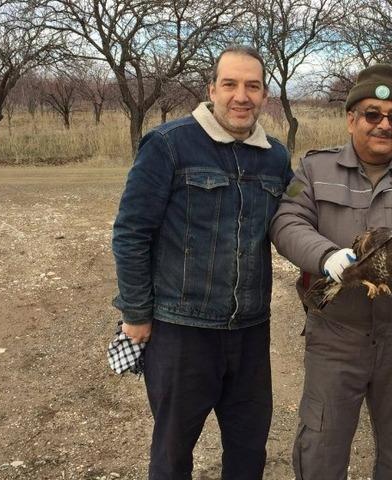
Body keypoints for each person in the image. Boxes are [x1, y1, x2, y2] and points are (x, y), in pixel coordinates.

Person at [270, 64, 392, 479]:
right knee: (321, 446)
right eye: (372, 114)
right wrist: (326, 256)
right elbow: (287, 222)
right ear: (351, 118)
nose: (384, 124)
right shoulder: (315, 169)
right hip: (335, 335)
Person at [111, 45, 292, 479]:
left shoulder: (276, 157)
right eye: (230, 84)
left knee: (249, 450)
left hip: (250, 330)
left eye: (252, 85)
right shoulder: (169, 144)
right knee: (173, 453)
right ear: (212, 89)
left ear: (265, 94)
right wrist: (136, 314)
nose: (241, 95)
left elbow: (294, 226)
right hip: (181, 329)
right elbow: (131, 231)